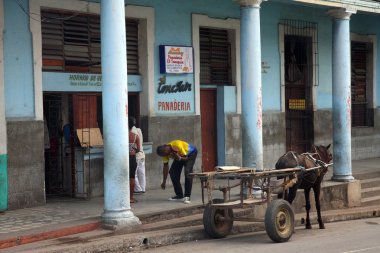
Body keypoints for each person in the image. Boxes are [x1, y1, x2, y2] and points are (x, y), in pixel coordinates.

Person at [156, 140, 197, 204]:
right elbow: (165, 167)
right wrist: (164, 181)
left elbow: (186, 158)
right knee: (173, 172)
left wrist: (179, 158)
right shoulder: (165, 154)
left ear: (166, 146)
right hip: (179, 156)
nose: (167, 153)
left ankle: (187, 196)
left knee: (187, 172)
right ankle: (179, 195)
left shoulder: (177, 145)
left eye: (166, 151)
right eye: (165, 154)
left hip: (190, 154)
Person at [130, 117, 146, 194]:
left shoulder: (131, 132)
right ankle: (143, 188)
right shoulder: (139, 130)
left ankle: (138, 189)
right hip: (142, 153)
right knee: (142, 172)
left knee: (134, 173)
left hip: (136, 154)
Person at [128, 117, 141, 203]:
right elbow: (138, 149)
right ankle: (130, 197)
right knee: (132, 177)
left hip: (122, 158)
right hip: (132, 158)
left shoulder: (120, 135)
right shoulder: (135, 136)